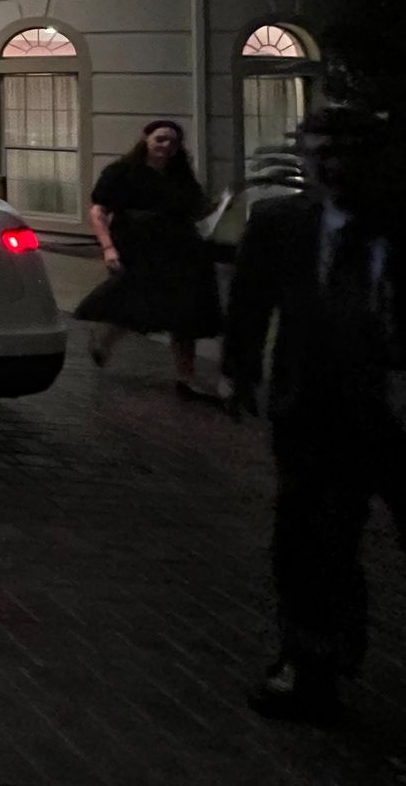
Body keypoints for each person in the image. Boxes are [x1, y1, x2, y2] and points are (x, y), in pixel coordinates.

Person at [223, 103, 402, 724]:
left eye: (349, 151)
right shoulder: (281, 224)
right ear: (304, 158)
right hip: (316, 409)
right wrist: (241, 370)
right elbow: (250, 301)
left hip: (395, 406)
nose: (334, 165)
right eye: (321, 151)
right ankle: (311, 662)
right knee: (309, 540)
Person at [76, 119, 224, 396]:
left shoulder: (181, 176)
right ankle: (104, 338)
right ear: (146, 138)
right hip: (138, 246)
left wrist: (216, 207)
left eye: (173, 141)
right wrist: (108, 247)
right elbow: (99, 211)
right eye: (161, 139)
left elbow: (194, 210)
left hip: (180, 249)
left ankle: (186, 374)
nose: (166, 146)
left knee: (185, 311)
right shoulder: (122, 172)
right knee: (134, 300)